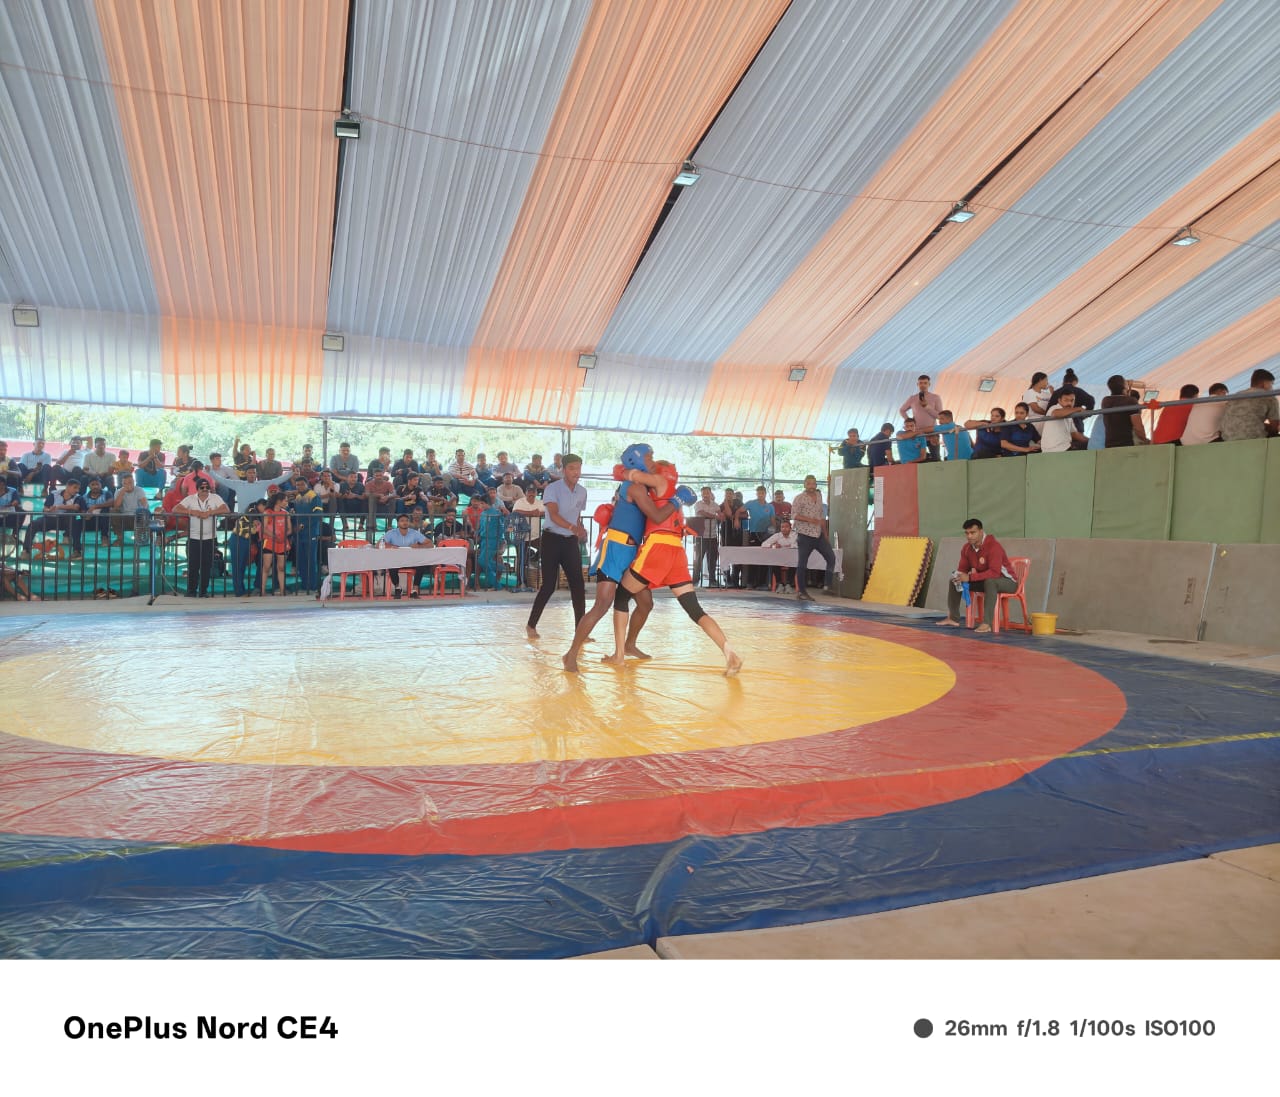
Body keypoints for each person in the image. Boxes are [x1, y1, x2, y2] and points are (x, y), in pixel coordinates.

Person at [606, 459, 741, 676]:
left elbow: (630, 475)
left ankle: (619, 655)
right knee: (695, 610)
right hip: (676, 552)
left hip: (657, 548)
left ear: (660, 472)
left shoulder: (661, 482)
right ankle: (729, 652)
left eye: (652, 466)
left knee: (622, 596)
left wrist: (625, 469)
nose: (649, 469)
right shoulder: (673, 494)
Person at [562, 444, 675, 673]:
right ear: (637, 461)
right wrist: (677, 501)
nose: (652, 461)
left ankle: (629, 645)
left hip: (632, 552)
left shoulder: (641, 485)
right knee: (601, 605)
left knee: (646, 603)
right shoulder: (634, 487)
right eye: (649, 457)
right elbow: (656, 515)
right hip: (615, 548)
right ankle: (570, 654)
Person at [526, 454, 587, 638]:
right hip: (551, 539)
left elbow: (576, 515)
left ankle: (581, 630)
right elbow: (553, 514)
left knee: (578, 585)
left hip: (570, 541)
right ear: (563, 470)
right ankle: (531, 625)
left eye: (578, 468)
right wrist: (573, 527)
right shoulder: (552, 488)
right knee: (549, 585)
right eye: (572, 468)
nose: (576, 472)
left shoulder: (582, 491)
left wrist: (579, 529)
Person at [937, 517, 1017, 634]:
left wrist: (969, 577)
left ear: (981, 531)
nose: (969, 536)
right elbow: (962, 569)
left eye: (972, 532)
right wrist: (959, 576)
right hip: (987, 582)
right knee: (954, 581)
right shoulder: (967, 548)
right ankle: (953, 618)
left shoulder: (994, 546)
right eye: (967, 533)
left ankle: (987, 623)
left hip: (1008, 582)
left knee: (990, 582)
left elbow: (994, 573)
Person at [174, 481, 229, 597]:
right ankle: (191, 591)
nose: (205, 489)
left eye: (207, 487)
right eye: (202, 487)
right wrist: (192, 512)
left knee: (206, 566)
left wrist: (210, 513)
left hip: (210, 538)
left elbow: (226, 509)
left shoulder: (215, 497)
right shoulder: (190, 498)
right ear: (197, 489)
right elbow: (176, 509)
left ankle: (203, 591)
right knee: (193, 565)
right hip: (194, 537)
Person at [791, 474, 837, 602]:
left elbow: (822, 517)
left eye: (813, 483)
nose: (811, 486)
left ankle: (827, 585)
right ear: (804, 485)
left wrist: (825, 533)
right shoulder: (799, 498)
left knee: (831, 558)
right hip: (805, 535)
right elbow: (794, 515)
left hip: (818, 534)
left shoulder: (819, 496)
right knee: (802, 563)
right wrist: (809, 520)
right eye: (809, 483)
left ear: (816, 485)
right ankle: (801, 592)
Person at [24, 479, 86, 559]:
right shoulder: (54, 494)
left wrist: (58, 507)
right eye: (75, 487)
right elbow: (45, 509)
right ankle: (26, 551)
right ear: (67, 486)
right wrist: (48, 510)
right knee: (33, 524)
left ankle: (68, 538)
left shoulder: (79, 497)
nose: (77, 490)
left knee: (72, 514)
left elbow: (75, 507)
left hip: (66, 521)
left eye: (78, 488)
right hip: (51, 518)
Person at [378, 513, 431, 598]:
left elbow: (430, 544)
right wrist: (391, 546)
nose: (405, 522)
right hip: (397, 561)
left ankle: (414, 590)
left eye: (406, 521)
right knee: (391, 565)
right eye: (402, 521)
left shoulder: (414, 533)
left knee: (421, 565)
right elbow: (378, 545)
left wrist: (419, 545)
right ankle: (398, 588)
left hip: (411, 561)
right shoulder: (391, 533)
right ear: (398, 523)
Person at [1219, 368, 1278, 441]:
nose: (1272, 387)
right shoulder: (1269, 396)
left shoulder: (1236, 395)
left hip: (1227, 439)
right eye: (1271, 384)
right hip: (1253, 438)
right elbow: (1275, 426)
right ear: (1264, 383)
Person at [291, 475, 324, 593]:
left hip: (311, 532)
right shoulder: (298, 497)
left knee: (310, 560)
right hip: (299, 534)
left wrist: (303, 525)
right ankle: (305, 585)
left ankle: (313, 586)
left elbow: (318, 515)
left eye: (302, 484)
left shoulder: (314, 496)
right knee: (301, 560)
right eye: (297, 485)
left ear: (307, 484)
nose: (299, 486)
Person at [900, 375, 943, 460]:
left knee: (936, 458)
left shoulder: (935, 397)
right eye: (920, 383)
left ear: (929, 384)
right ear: (917, 384)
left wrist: (926, 407)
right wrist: (910, 422)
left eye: (925, 383)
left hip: (932, 433)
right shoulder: (912, 398)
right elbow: (902, 410)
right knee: (918, 458)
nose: (923, 385)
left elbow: (940, 416)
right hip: (918, 433)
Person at [1048, 368, 1095, 443]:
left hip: (1058, 426)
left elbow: (1048, 410)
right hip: (1077, 423)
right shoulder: (1079, 391)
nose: (1069, 403)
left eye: (1071, 400)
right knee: (1079, 446)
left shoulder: (1056, 393)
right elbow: (1091, 401)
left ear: (1063, 382)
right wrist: (1084, 415)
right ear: (1075, 382)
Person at [1101, 374, 1148, 447]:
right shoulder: (1131, 401)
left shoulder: (1105, 401)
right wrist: (1146, 440)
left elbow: (1121, 399)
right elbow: (1138, 428)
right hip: (1127, 444)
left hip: (1110, 445)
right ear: (1124, 386)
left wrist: (1127, 388)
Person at [259, 493, 292, 595]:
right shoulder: (267, 512)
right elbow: (264, 529)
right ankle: (262, 591)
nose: (287, 503)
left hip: (282, 542)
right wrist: (274, 536)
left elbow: (289, 529)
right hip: (269, 541)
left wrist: (283, 536)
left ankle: (282, 591)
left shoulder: (286, 513)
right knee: (266, 566)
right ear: (278, 501)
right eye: (285, 501)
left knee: (281, 567)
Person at [743, 485, 775, 589]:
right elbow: (739, 511)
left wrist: (773, 533)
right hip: (754, 533)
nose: (760, 495)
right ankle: (750, 582)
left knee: (764, 559)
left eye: (762, 493)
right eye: (759, 493)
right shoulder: (751, 503)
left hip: (766, 535)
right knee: (753, 558)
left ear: (765, 494)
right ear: (756, 494)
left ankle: (762, 583)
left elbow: (773, 520)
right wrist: (737, 519)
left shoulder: (770, 507)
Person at [691, 486, 721, 588]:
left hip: (713, 535)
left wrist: (719, 516)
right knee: (698, 558)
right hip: (700, 536)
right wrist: (715, 516)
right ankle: (695, 580)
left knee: (712, 559)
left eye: (707, 493)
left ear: (710, 493)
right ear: (701, 494)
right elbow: (702, 513)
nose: (705, 495)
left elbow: (720, 515)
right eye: (704, 493)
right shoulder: (698, 504)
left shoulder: (715, 504)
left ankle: (712, 580)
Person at [109, 472, 150, 546]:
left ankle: (139, 538)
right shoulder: (119, 491)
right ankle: (120, 538)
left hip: (137, 516)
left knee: (143, 512)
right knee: (113, 511)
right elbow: (116, 506)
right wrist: (122, 493)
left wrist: (143, 509)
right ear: (122, 484)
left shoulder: (139, 490)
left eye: (130, 482)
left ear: (134, 482)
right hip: (123, 517)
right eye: (125, 483)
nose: (128, 485)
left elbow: (145, 503)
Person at [761, 518, 799, 592]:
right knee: (774, 562)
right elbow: (763, 544)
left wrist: (790, 546)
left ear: (790, 528)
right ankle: (780, 584)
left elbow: (799, 545)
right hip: (780, 558)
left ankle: (788, 584)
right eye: (782, 527)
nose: (784, 529)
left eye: (786, 527)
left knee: (794, 563)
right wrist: (773, 545)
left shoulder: (795, 535)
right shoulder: (777, 535)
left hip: (792, 558)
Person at [81, 478, 115, 544]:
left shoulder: (107, 493)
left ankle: (104, 537)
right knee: (76, 517)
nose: (95, 486)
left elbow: (111, 503)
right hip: (89, 520)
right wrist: (85, 514)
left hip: (103, 520)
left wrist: (95, 506)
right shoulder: (84, 497)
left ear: (101, 485)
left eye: (97, 484)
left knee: (105, 510)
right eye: (93, 484)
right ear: (89, 486)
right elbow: (82, 509)